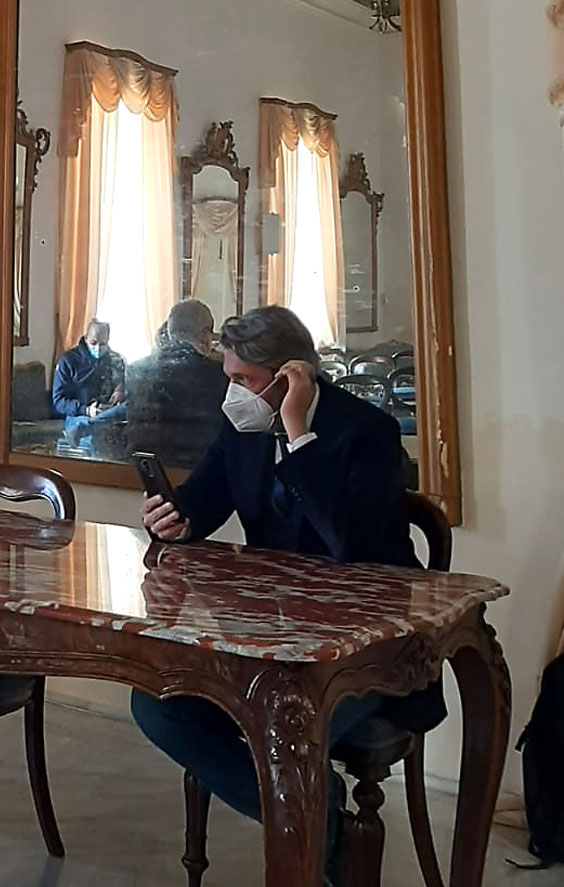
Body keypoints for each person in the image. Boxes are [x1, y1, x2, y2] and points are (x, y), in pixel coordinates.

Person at [130, 305, 440, 881]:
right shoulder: (242, 428)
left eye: (243, 379)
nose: (231, 393)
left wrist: (299, 435)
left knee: (279, 723)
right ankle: (326, 827)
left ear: (290, 376)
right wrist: (175, 519)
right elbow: (203, 500)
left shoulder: (368, 432)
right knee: (157, 704)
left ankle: (311, 836)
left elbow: (350, 544)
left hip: (362, 647)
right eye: (228, 376)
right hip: (269, 638)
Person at [123, 300, 228, 469]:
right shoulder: (219, 373)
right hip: (198, 472)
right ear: (204, 335)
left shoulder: (137, 370)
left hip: (144, 470)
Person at [52, 320, 127, 449]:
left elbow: (127, 390)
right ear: (86, 337)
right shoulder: (68, 361)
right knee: (95, 437)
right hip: (79, 415)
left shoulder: (116, 360)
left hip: (110, 414)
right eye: (93, 343)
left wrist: (120, 390)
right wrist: (86, 410)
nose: (98, 348)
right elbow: (59, 401)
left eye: (103, 344)